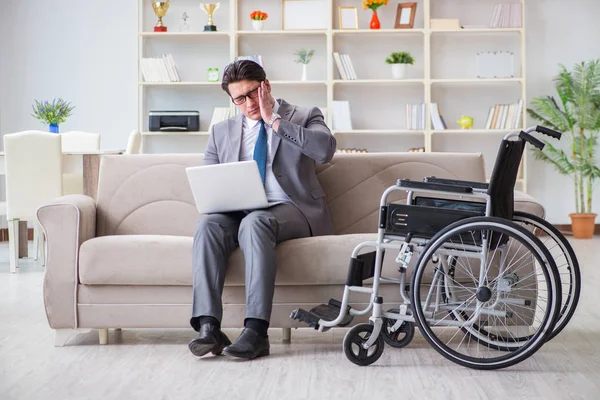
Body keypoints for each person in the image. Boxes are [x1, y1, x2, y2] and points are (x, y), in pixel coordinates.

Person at [188, 60, 337, 360]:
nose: (247, 103)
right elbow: (211, 181)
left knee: (256, 223)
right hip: (239, 211)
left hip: (292, 209)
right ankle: (209, 327)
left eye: (252, 94)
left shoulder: (305, 115)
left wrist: (274, 121)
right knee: (207, 227)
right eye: (238, 99)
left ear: (265, 85)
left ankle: (256, 331)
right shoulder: (221, 131)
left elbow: (325, 150)